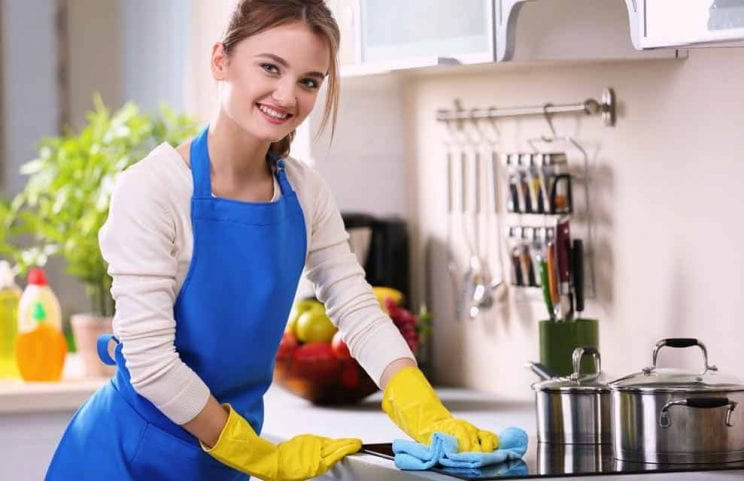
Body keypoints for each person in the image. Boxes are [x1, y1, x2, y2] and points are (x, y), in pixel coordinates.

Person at [46, 1, 499, 480]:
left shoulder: (304, 192)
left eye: (309, 81)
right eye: (270, 68)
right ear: (221, 60)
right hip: (124, 458)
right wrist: (261, 456)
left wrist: (423, 409)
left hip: (219, 459)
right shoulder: (155, 189)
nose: (287, 96)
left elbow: (356, 308)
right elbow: (151, 363)